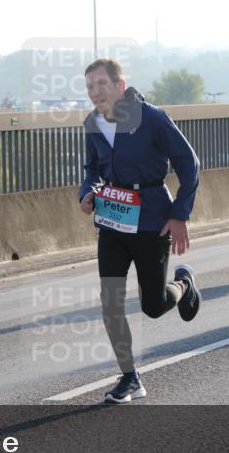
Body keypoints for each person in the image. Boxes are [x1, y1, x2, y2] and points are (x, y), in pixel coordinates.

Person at [79, 58, 201, 404]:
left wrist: (180, 214)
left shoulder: (151, 117)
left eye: (101, 84)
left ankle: (183, 285)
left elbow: (189, 164)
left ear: (120, 85)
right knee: (110, 302)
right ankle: (130, 377)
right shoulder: (93, 123)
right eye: (89, 87)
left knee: (152, 304)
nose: (95, 92)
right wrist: (87, 192)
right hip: (113, 219)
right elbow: (92, 169)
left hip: (151, 218)